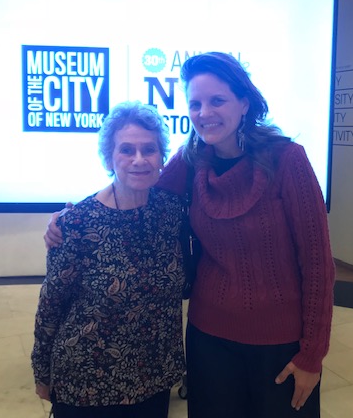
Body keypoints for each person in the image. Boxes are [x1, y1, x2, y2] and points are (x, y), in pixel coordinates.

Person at [46, 52, 335, 418]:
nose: (204, 113)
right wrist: (73, 216)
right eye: (195, 103)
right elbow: (135, 187)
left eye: (217, 101)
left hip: (278, 343)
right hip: (209, 339)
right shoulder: (192, 158)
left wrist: (313, 355)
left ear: (244, 103)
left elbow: (319, 266)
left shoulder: (288, 160)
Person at [32, 101, 185, 418]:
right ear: (108, 157)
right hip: (86, 384)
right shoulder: (77, 224)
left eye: (149, 149)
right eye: (127, 150)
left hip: (152, 381)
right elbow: (51, 303)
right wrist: (42, 371)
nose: (139, 160)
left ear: (162, 157)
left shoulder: (172, 211)